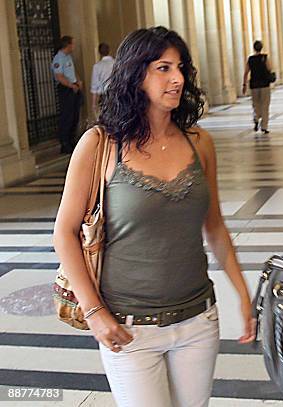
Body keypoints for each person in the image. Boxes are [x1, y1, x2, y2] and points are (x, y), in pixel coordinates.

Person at [53, 27, 255, 407]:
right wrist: (95, 313)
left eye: (180, 68)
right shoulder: (100, 145)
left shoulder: (199, 143)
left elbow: (214, 226)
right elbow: (64, 234)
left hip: (198, 321)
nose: (177, 78)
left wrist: (243, 294)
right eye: (163, 68)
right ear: (135, 74)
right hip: (128, 330)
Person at [51, 35, 82, 154]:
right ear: (67, 45)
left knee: (74, 115)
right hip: (66, 89)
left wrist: (78, 81)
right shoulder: (58, 58)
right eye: (72, 44)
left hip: (73, 87)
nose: (74, 46)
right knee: (67, 116)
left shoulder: (68, 57)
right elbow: (59, 76)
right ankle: (65, 143)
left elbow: (72, 72)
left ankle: (71, 139)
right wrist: (71, 85)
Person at [242, 40, 273, 134]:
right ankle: (264, 126)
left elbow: (246, 73)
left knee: (256, 104)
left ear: (254, 48)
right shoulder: (265, 57)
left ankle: (256, 118)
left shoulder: (250, 59)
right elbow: (269, 68)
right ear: (261, 47)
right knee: (265, 105)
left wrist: (244, 85)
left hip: (254, 85)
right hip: (264, 85)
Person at [90, 42, 115, 113]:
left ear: (99, 53)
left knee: (106, 117)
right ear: (110, 51)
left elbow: (94, 86)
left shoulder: (97, 66)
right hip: (117, 94)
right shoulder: (116, 63)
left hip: (104, 96)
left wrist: (93, 104)